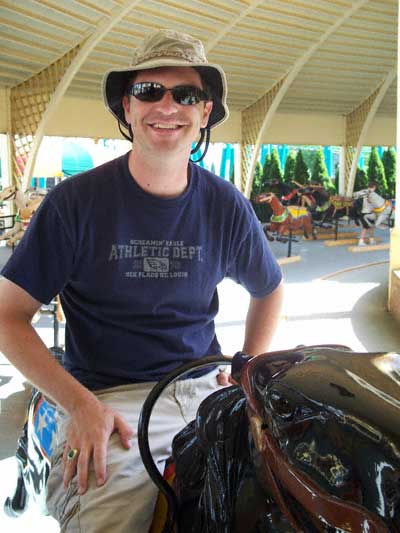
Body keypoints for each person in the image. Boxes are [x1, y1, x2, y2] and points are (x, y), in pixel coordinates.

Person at [0, 29, 283, 532]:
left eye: (186, 94)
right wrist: (79, 404)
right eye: (150, 91)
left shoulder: (225, 205)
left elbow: (268, 289)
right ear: (127, 109)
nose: (167, 105)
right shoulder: (75, 204)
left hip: (203, 387)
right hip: (110, 400)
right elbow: (7, 314)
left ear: (204, 112)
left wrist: (245, 365)